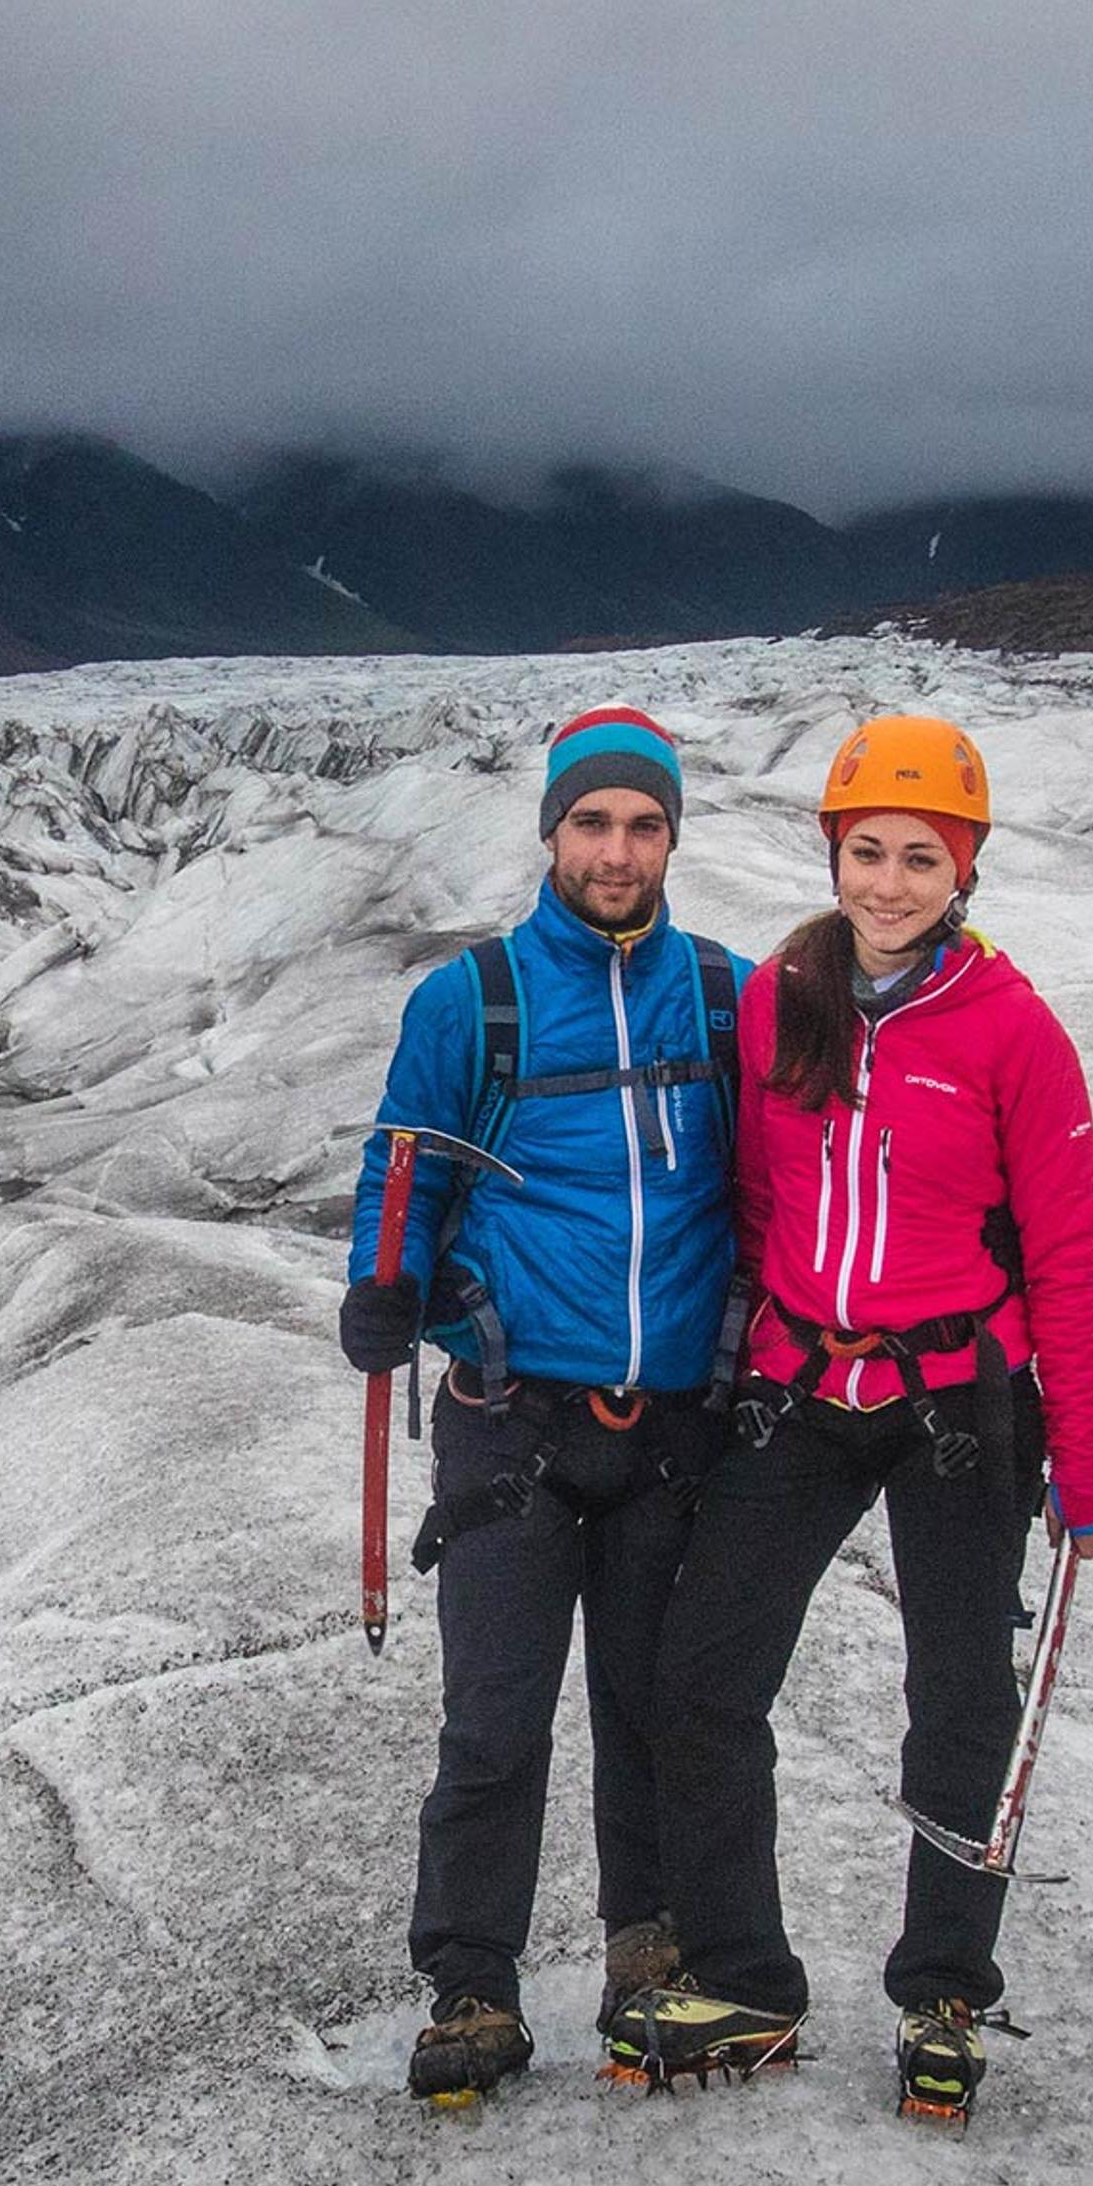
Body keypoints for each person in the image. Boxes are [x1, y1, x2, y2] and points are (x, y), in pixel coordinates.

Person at [607, 711, 1093, 2123]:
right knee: (703, 1681)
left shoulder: (1016, 1036)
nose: (889, 883)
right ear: (834, 854)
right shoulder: (781, 1000)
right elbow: (763, 1202)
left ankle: (943, 1993)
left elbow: (1067, 1262)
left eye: (920, 857)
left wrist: (1083, 1459)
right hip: (805, 1386)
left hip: (962, 1404)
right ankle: (748, 1979)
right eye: (866, 852)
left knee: (960, 1696)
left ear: (966, 869)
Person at [341, 706, 749, 2103]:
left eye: (643, 825)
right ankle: (473, 1986)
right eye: (593, 823)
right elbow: (405, 1165)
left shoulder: (726, 996)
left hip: (671, 1422)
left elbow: (791, 1175)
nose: (618, 851)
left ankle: (648, 1951)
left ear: (673, 836)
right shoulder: (476, 1001)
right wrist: (384, 1287)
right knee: (495, 1719)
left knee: (650, 1710)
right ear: (552, 833)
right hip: (512, 1419)